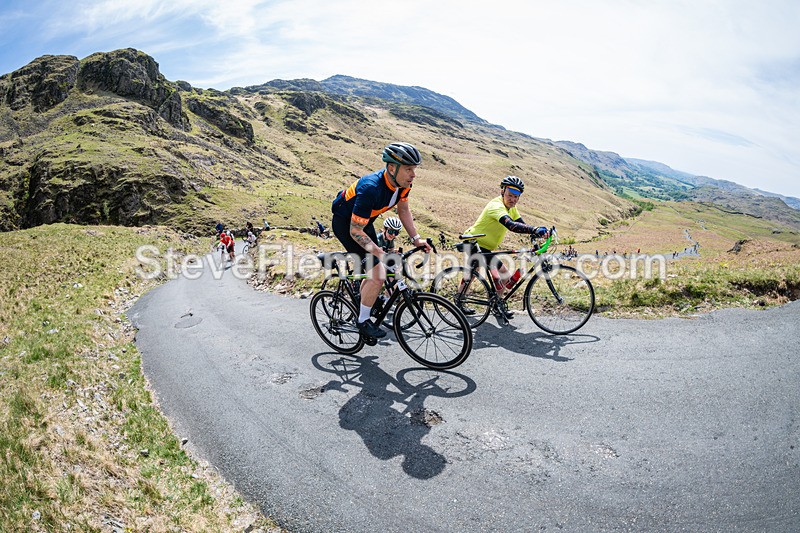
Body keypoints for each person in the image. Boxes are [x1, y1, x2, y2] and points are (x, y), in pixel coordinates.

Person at [331, 142, 430, 339]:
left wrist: (416, 239)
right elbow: (355, 231)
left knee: (375, 269)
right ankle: (362, 321)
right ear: (392, 168)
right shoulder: (371, 188)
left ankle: (363, 300)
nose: (413, 174)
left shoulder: (403, 185)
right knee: (378, 273)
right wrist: (379, 252)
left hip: (364, 222)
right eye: (409, 169)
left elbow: (403, 210)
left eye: (414, 169)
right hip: (346, 225)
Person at [461, 175, 548, 316]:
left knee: (497, 275)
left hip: (485, 247)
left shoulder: (511, 208)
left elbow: (521, 224)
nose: (513, 200)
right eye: (510, 195)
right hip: (474, 243)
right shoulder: (496, 206)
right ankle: (462, 302)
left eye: (516, 197)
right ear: (502, 191)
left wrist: (537, 233)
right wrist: (534, 229)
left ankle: (496, 304)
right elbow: (511, 225)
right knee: (479, 274)